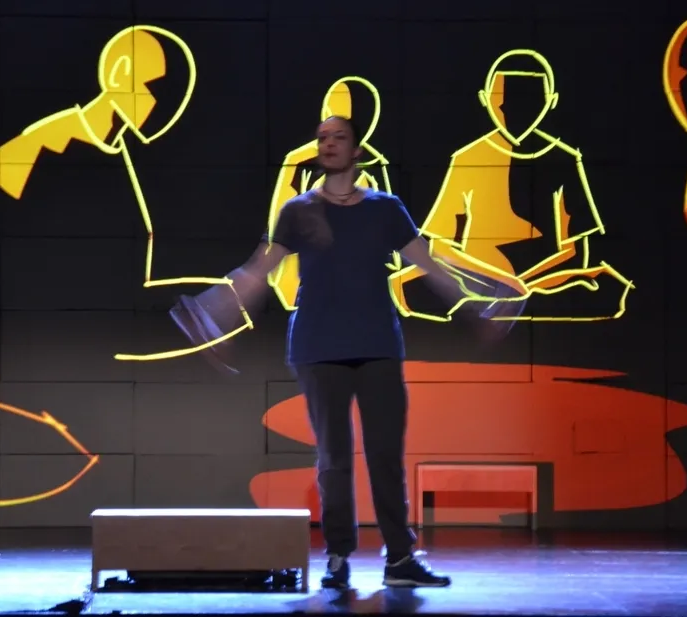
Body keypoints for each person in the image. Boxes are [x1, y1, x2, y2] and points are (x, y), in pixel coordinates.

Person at [170, 115, 513, 589]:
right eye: (322, 138)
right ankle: (337, 556)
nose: (328, 144)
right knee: (333, 458)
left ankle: (399, 559)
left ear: (357, 151)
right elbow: (259, 270)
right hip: (318, 345)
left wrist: (473, 310)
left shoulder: (386, 208)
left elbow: (428, 265)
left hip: (376, 344)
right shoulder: (298, 211)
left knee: (385, 455)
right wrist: (215, 315)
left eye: (339, 138)